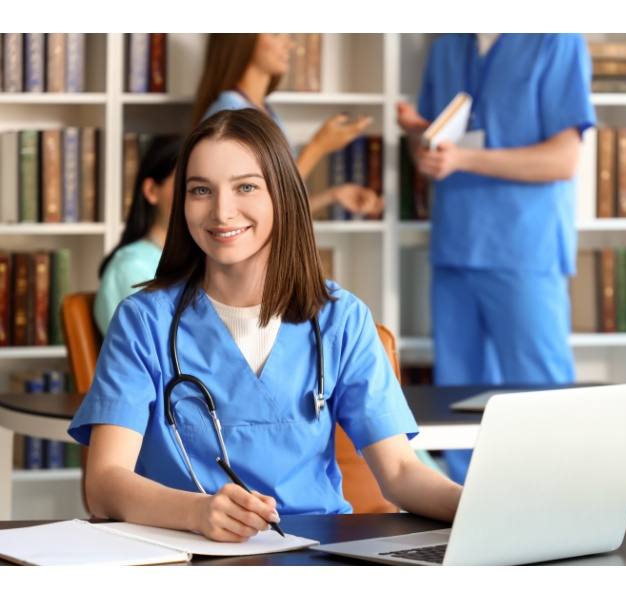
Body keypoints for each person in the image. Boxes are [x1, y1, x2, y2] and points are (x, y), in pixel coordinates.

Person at [69, 109, 461, 542]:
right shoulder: (143, 321)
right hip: (190, 550)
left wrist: (476, 506)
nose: (222, 211)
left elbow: (401, 472)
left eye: (246, 187)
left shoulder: (341, 319)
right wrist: (197, 512)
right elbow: (103, 484)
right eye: (200, 190)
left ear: (283, 195)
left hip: (320, 554)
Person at [397, 34, 596, 484]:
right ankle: (462, 512)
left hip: (524, 248)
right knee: (456, 401)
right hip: (454, 245)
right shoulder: (448, 44)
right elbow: (432, 147)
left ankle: (559, 501)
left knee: (543, 397)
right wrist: (420, 142)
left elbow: (563, 160)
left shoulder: (555, 38)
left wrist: (463, 159)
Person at [192, 33, 382, 219]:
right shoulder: (229, 112)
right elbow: (263, 206)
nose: (290, 44)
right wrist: (318, 147)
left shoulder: (265, 111)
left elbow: (277, 210)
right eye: (276, 34)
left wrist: (333, 195)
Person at [94, 135, 182, 336]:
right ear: (151, 190)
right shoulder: (131, 268)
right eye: (184, 183)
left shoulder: (200, 262)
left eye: (202, 188)